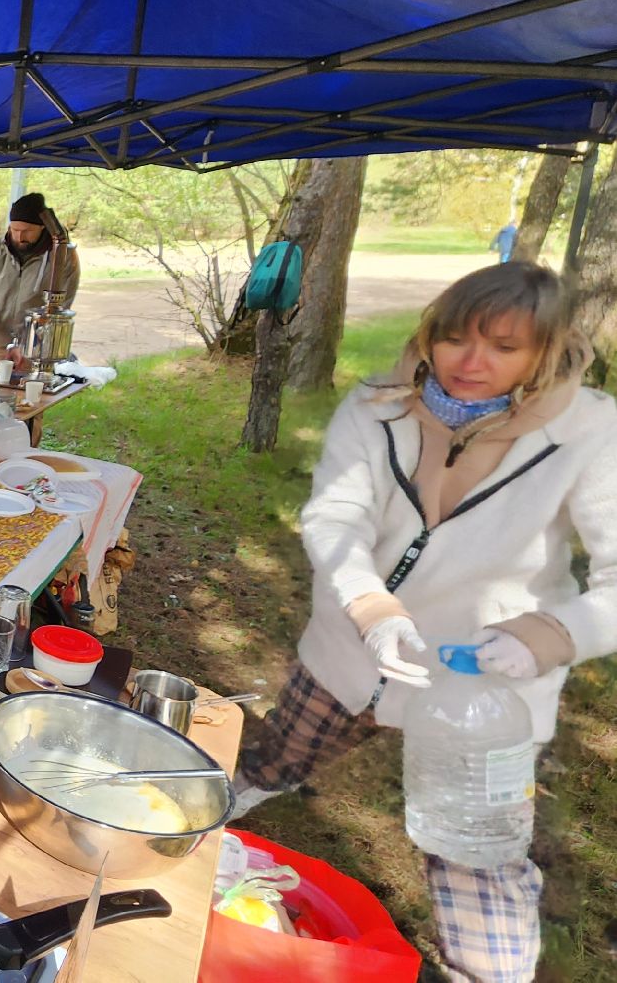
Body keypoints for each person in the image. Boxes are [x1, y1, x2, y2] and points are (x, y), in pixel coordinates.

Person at [231, 263, 617, 983]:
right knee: (280, 751)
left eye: (503, 347)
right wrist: (371, 606)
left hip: (485, 687)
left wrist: (549, 636)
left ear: (544, 351)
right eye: (455, 339)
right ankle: (214, 817)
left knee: (477, 854)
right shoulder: (377, 405)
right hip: (353, 648)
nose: (471, 363)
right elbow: (337, 516)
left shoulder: (592, 431)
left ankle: (487, 968)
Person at [0, 192, 80, 366]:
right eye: (15, 230)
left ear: (42, 227)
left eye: (27, 231)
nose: (19, 237)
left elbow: (60, 308)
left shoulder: (63, 256)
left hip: (36, 348)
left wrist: (29, 343)